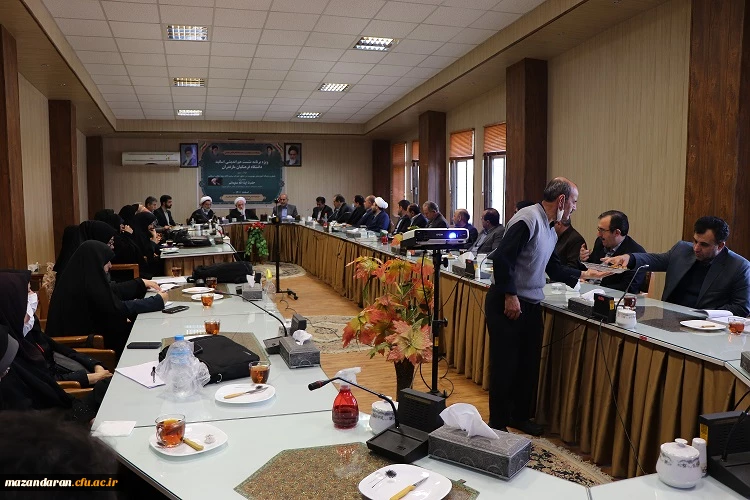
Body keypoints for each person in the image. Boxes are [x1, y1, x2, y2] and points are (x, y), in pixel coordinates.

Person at [485, 178, 608, 435]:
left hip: (531, 304)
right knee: (505, 364)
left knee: (528, 364)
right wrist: (510, 294)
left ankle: (520, 416)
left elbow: (553, 267)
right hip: (508, 301)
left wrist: (584, 275)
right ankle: (497, 422)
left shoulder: (550, 228)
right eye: (574, 202)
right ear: (562, 200)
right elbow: (503, 259)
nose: (575, 208)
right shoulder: (527, 219)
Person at [603, 216, 750, 316]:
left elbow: (741, 307)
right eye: (695, 241)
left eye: (704, 244)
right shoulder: (682, 249)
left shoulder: (739, 266)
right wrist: (630, 257)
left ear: (721, 245)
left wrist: (705, 315)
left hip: (707, 326)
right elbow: (656, 259)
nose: (696, 248)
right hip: (669, 318)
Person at [46, 241, 168, 355]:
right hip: (84, 348)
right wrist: (156, 301)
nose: (110, 265)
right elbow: (117, 309)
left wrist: (140, 283)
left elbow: (111, 292)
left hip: (91, 339)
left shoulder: (80, 278)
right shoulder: (83, 285)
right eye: (107, 261)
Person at [0, 271, 112, 390]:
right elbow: (41, 383)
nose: (34, 295)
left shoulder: (28, 328)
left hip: (66, 376)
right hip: (64, 390)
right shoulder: (8, 347)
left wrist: (94, 364)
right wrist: (90, 378)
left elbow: (58, 347)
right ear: (11, 302)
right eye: (28, 291)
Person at [579, 210, 646, 293]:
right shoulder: (600, 242)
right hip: (587, 291)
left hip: (610, 297)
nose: (598, 234)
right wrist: (583, 260)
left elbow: (629, 288)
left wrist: (594, 288)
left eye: (602, 230)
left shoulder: (636, 254)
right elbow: (591, 267)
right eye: (598, 229)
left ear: (617, 232)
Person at [130, 211, 162, 279]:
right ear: (144, 223)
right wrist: (154, 238)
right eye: (150, 224)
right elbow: (148, 253)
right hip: (143, 269)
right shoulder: (137, 236)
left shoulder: (144, 233)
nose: (152, 227)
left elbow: (156, 250)